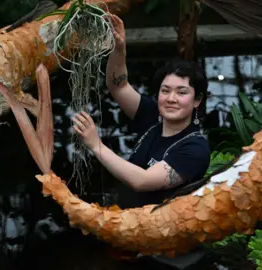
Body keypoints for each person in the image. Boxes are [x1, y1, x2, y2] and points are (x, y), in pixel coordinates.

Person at [72, 13, 212, 269]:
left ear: (197, 101)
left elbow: (142, 181)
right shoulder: (151, 115)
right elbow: (119, 86)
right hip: (130, 235)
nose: (171, 98)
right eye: (165, 90)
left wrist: (96, 145)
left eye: (182, 93)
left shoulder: (195, 147)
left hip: (165, 250)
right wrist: (120, 49)